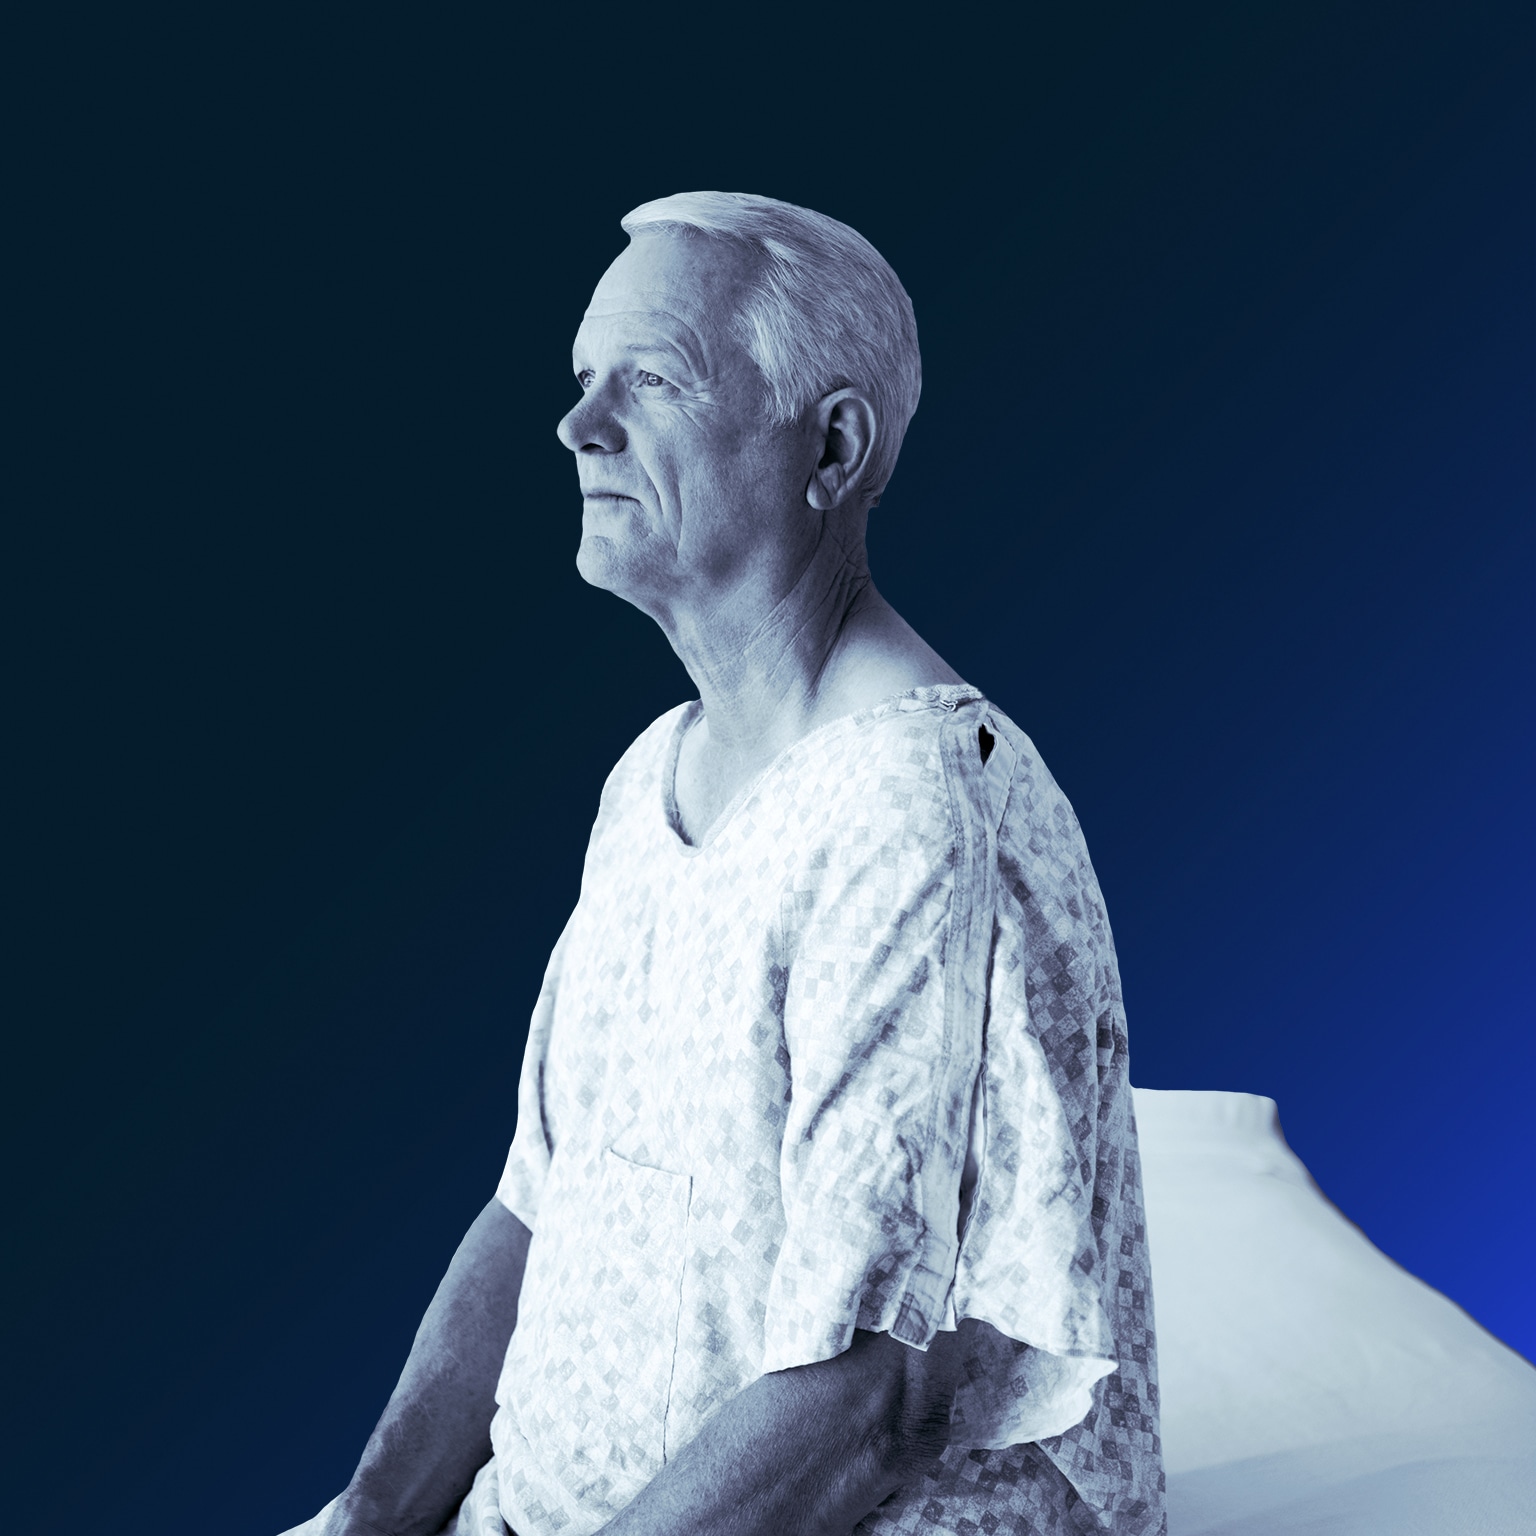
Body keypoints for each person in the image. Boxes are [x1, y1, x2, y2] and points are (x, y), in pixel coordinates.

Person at [286, 191, 1164, 1536]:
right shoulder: (651, 777)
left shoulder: (918, 814)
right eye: (585, 383)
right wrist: (370, 1514)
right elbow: (535, 1202)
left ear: (832, 444)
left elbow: (857, 1403)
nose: (578, 428)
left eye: (651, 379)